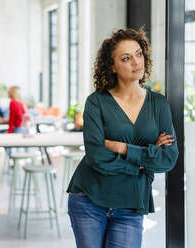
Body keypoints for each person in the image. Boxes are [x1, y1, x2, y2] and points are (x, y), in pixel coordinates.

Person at [66, 28, 179, 248]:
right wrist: (143, 163)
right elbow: (97, 156)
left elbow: (168, 158)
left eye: (139, 54)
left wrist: (124, 149)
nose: (136, 62)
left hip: (131, 204)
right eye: (126, 58)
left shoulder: (158, 104)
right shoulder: (96, 102)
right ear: (112, 66)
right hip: (89, 199)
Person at [0, 86, 28, 165]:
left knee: (2, 137)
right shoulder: (22, 103)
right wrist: (7, 119)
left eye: (8, 92)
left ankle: (10, 158)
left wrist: (9, 133)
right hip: (24, 130)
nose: (7, 93)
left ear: (11, 93)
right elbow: (20, 117)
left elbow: (12, 121)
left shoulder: (12, 102)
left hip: (17, 130)